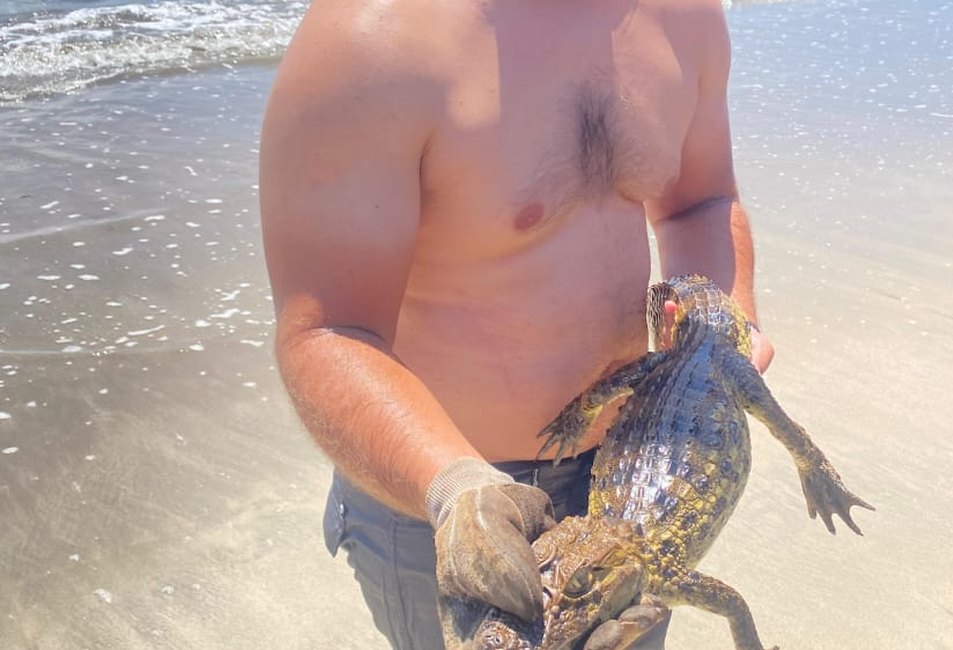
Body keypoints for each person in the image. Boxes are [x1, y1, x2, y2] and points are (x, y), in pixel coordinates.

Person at [257, 0, 773, 646]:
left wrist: (725, 325)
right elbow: (326, 331)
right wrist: (457, 490)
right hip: (439, 496)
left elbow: (700, 202)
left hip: (634, 482)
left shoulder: (682, 14)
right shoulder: (374, 38)